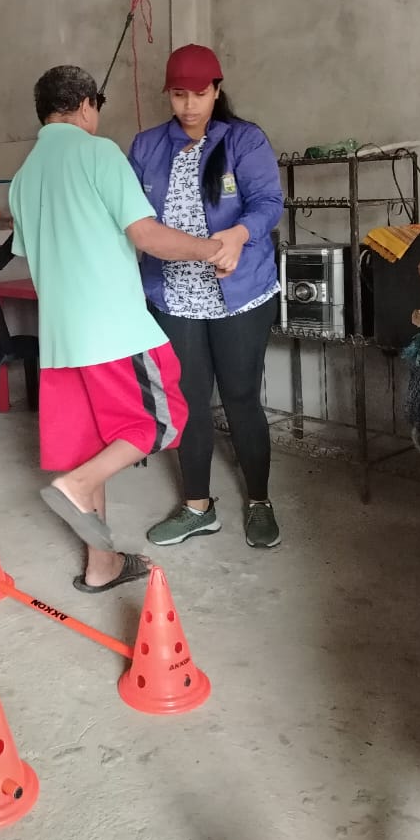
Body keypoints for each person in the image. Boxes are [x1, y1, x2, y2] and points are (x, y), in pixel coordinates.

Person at [9, 65, 235, 592]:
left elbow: (31, 252)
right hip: (113, 330)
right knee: (165, 418)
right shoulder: (100, 153)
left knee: (92, 444)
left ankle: (102, 564)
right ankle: (78, 485)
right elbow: (146, 235)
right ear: (87, 104)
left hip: (60, 342)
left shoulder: (23, 178)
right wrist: (212, 249)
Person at [128, 44, 285, 549]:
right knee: (189, 401)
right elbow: (130, 216)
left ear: (217, 90)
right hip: (174, 296)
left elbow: (269, 202)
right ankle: (198, 507)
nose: (189, 105)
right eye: (179, 95)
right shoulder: (148, 146)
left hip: (239, 292)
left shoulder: (244, 139)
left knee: (240, 397)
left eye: (199, 94)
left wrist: (239, 235)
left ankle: (258, 500)